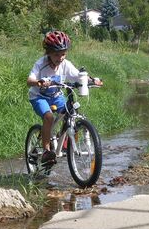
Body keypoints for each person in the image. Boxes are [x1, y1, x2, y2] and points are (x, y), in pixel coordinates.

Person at [27, 30, 102, 168]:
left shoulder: (65, 64)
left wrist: (92, 80)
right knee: (49, 117)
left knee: (72, 111)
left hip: (56, 96)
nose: (60, 58)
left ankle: (65, 140)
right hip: (39, 96)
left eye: (63, 54)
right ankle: (46, 151)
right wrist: (38, 82)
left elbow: (77, 76)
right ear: (48, 53)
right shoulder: (41, 64)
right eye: (56, 54)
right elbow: (29, 80)